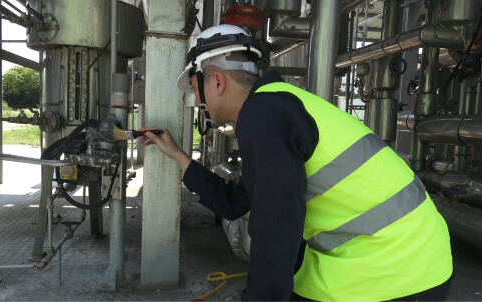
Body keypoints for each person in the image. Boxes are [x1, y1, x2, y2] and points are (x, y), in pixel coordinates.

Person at [139, 24, 454, 301]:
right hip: (407, 256)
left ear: (217, 82)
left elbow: (276, 227)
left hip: (397, 269)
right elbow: (237, 202)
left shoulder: (263, 115)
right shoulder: (277, 105)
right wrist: (179, 155)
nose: (196, 103)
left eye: (196, 91)